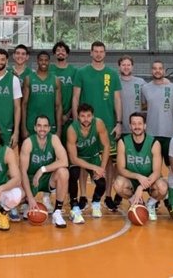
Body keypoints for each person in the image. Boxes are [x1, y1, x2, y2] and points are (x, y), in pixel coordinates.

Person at [72, 41, 122, 213]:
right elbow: (75, 98)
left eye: (101, 51)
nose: (99, 54)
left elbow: (116, 99)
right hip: (85, 124)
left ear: (105, 53)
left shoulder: (112, 74)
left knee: (108, 162)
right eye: (96, 51)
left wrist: (119, 122)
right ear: (91, 53)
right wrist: (75, 120)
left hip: (107, 124)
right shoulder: (81, 72)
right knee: (84, 161)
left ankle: (107, 196)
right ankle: (83, 196)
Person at [114, 112, 168, 221]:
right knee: (118, 184)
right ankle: (135, 201)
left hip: (150, 179)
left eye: (139, 123)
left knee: (163, 188)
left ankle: (151, 203)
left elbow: (157, 172)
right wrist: (138, 177)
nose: (137, 126)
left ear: (145, 126)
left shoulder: (154, 143)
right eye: (134, 124)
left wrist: (141, 187)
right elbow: (121, 169)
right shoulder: (123, 142)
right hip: (132, 180)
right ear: (130, 126)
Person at [19, 115, 69, 228]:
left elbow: (64, 161)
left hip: (47, 178)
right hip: (31, 179)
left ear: (49, 128)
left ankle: (57, 212)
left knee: (63, 172)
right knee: (16, 197)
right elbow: (23, 172)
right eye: (39, 126)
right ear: (35, 128)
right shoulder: (28, 143)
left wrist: (42, 170)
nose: (42, 129)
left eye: (45, 126)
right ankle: (27, 203)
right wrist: (31, 198)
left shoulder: (54, 139)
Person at [66, 103, 110, 223]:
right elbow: (74, 159)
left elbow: (106, 146)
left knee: (101, 183)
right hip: (78, 158)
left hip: (93, 157)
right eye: (83, 116)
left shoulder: (99, 124)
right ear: (78, 117)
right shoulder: (72, 129)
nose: (86, 119)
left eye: (89, 116)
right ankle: (74, 206)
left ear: (93, 116)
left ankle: (96, 202)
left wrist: (102, 168)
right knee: (73, 175)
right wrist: (94, 167)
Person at [140, 60, 173, 167]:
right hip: (151, 133)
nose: (157, 71)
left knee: (172, 166)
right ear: (151, 71)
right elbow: (143, 105)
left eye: (160, 68)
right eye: (155, 68)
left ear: (164, 71)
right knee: (152, 166)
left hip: (170, 133)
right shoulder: (145, 88)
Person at [21, 51, 62, 139]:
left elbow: (58, 106)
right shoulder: (28, 79)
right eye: (41, 60)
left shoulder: (56, 80)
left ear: (49, 62)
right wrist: (23, 127)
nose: (43, 62)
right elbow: (24, 105)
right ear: (37, 61)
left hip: (50, 123)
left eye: (46, 60)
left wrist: (59, 130)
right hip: (31, 124)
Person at [49, 41, 76, 145]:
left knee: (69, 146)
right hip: (51, 115)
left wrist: (68, 114)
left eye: (63, 50)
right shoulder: (49, 69)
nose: (61, 52)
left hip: (68, 116)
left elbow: (75, 95)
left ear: (67, 54)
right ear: (54, 54)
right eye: (58, 50)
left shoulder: (74, 71)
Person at [118, 56, 146, 136]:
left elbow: (148, 100)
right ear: (119, 67)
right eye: (123, 65)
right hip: (119, 128)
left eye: (128, 65)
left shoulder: (141, 82)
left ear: (132, 67)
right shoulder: (114, 82)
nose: (126, 67)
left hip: (137, 128)